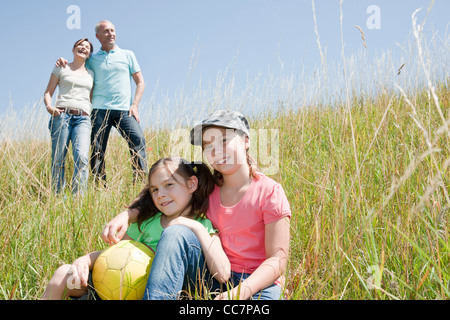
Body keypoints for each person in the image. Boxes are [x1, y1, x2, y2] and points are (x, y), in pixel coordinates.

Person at [102, 110, 291, 300]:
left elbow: (278, 260)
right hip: (211, 278)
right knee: (176, 232)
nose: (216, 151)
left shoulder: (270, 192)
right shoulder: (207, 189)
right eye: (208, 146)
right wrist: (127, 215)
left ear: (246, 141)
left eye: (224, 140)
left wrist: (241, 292)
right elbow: (160, 198)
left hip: (259, 285)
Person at [41, 157, 229, 300]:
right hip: (117, 288)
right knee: (63, 273)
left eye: (169, 185)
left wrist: (192, 225)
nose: (161, 195)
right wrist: (85, 260)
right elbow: (113, 256)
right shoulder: (147, 223)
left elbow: (223, 273)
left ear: (192, 184)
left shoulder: (202, 225)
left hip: (162, 291)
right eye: (155, 189)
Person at [56, 20, 148, 185]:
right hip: (99, 110)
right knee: (97, 150)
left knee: (138, 141)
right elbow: (77, 64)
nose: (111, 34)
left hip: (124, 111)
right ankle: (100, 186)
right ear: (98, 36)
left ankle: (141, 185)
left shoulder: (128, 55)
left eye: (112, 30)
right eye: (106, 31)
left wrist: (134, 105)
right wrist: (63, 60)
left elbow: (140, 82)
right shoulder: (92, 59)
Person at [44, 38, 94, 195]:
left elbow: (91, 98)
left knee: (82, 157)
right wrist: (49, 107)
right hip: (62, 115)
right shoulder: (61, 67)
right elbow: (48, 93)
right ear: (73, 49)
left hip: (83, 118)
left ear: (89, 54)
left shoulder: (91, 74)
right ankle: (58, 196)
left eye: (87, 47)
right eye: (80, 45)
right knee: (58, 158)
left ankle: (78, 199)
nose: (83, 48)